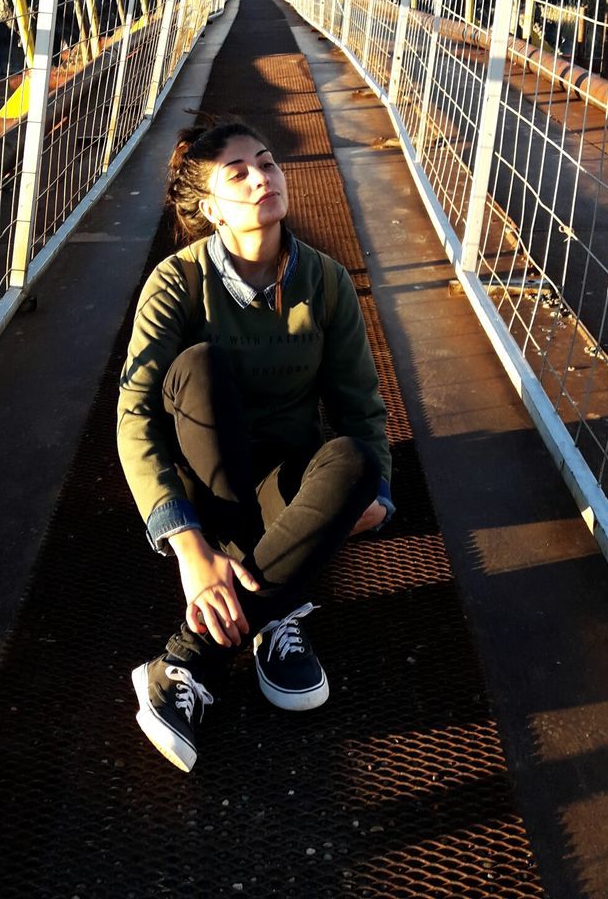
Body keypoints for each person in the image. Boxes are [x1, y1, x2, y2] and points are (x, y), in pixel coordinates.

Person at [117, 117, 394, 772]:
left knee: (354, 463)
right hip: (208, 484)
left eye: (267, 162)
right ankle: (275, 603)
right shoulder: (177, 282)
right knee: (202, 369)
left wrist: (376, 493)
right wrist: (188, 547)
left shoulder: (324, 283)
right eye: (237, 172)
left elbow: (362, 407)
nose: (261, 177)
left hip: (288, 483)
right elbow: (134, 414)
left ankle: (189, 657)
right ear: (211, 208)